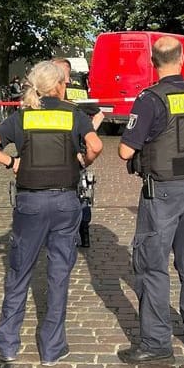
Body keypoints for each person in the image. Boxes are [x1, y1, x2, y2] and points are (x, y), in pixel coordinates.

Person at [0, 61, 102, 366]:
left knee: (19, 273)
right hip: (65, 202)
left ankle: (7, 344)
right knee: (59, 276)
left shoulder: (23, 116)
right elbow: (96, 145)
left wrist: (12, 163)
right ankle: (51, 348)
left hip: (30, 203)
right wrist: (82, 161)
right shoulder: (73, 114)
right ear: (59, 85)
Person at [117, 36, 184, 364]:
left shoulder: (149, 99)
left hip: (163, 191)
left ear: (151, 61)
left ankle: (156, 342)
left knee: (151, 265)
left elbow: (125, 150)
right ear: (182, 58)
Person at [53, 57, 104, 247]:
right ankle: (79, 231)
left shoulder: (65, 92)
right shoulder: (75, 91)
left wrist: (88, 134)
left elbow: (99, 114)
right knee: (79, 191)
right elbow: (99, 114)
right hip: (70, 149)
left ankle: (73, 231)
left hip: (70, 149)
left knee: (75, 191)